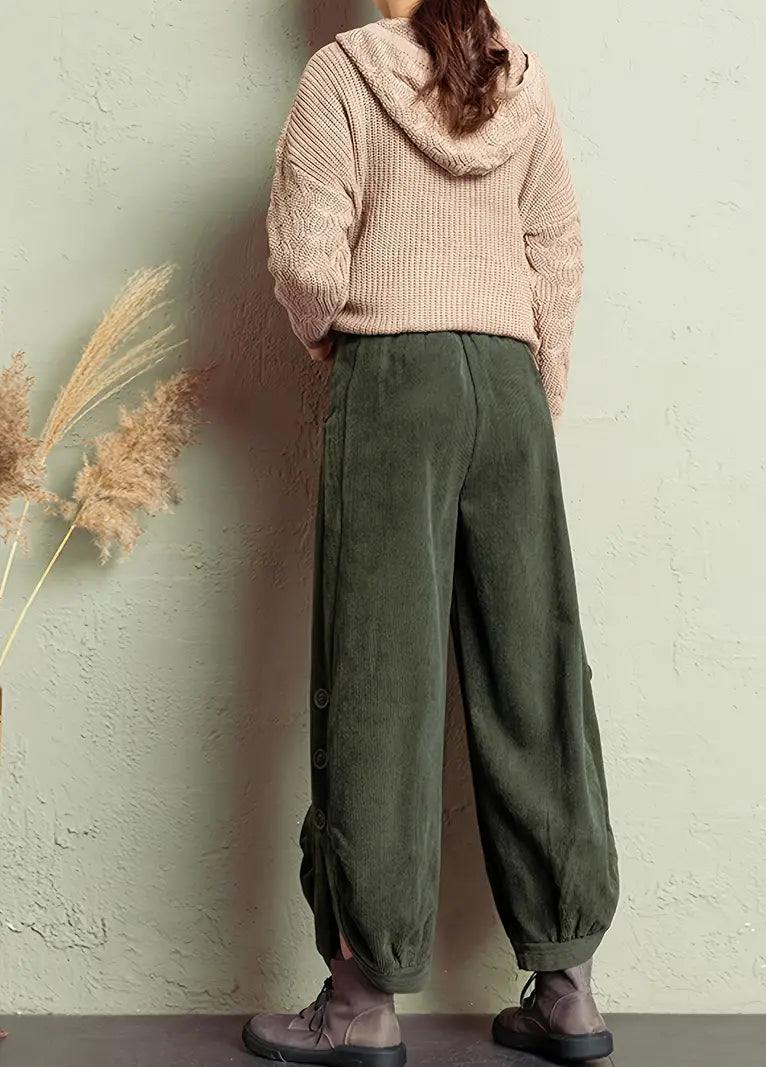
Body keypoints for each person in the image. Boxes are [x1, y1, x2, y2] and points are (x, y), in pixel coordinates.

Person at [243, 1, 620, 1064]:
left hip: (393, 372)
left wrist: (341, 340)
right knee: (534, 671)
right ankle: (568, 989)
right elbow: (557, 248)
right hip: (507, 382)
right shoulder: (520, 78)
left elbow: (307, 258)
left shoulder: (340, 75)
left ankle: (361, 1002)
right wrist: (533, 392)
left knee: (380, 677)